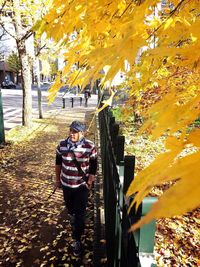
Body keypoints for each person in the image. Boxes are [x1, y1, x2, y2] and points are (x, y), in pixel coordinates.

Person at [55, 120, 97, 256]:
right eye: (71, 130)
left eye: (75, 132)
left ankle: (77, 239)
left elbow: (93, 165)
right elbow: (58, 164)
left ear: (82, 133)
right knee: (71, 210)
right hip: (66, 185)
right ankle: (74, 220)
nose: (72, 134)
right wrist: (57, 180)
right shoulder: (62, 145)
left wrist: (89, 181)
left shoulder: (90, 146)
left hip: (81, 186)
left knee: (79, 213)